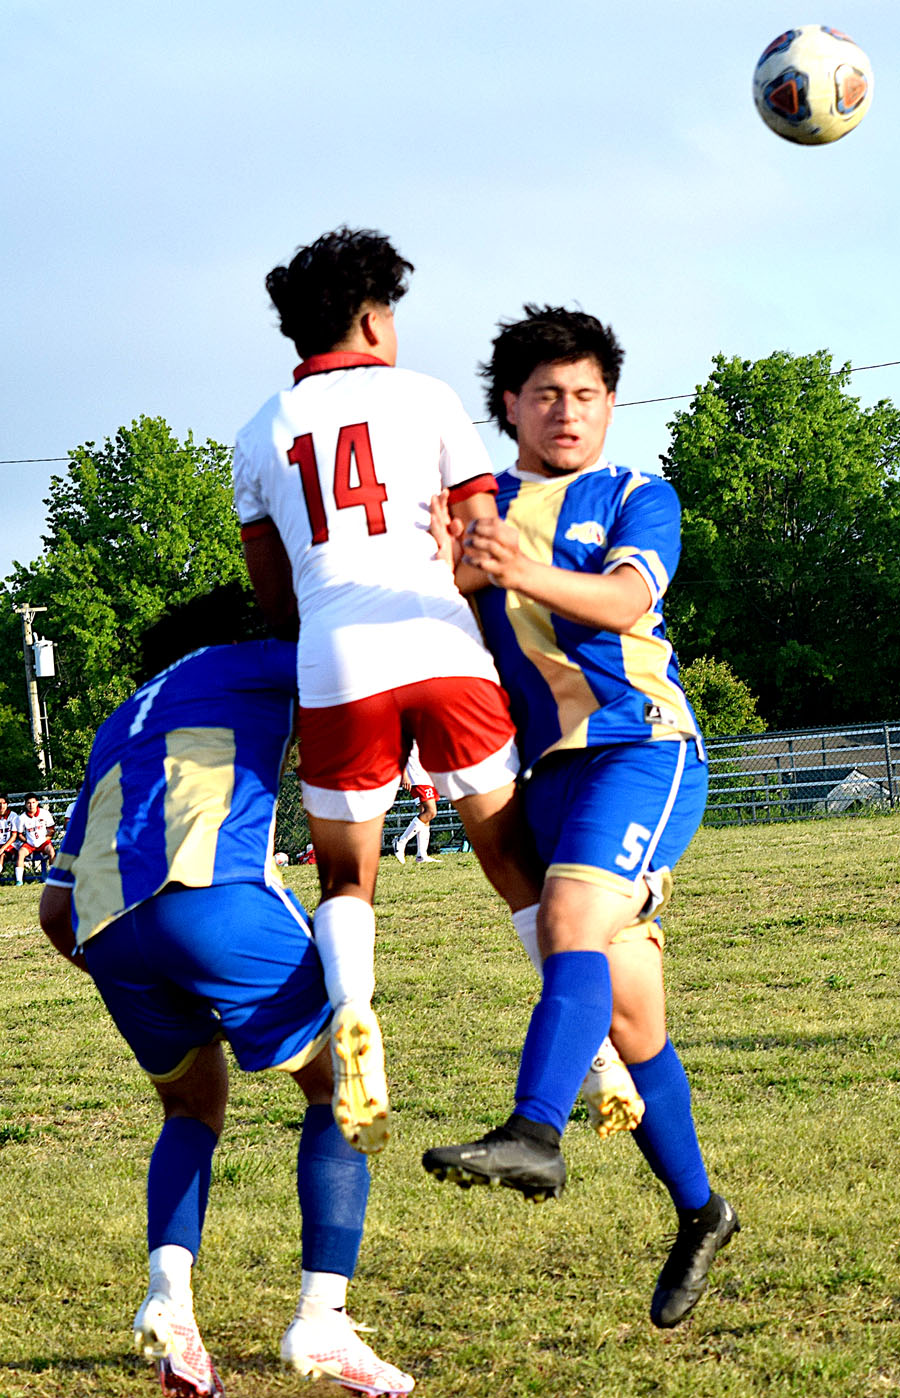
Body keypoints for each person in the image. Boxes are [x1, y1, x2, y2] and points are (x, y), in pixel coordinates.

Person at [423, 306, 738, 1330]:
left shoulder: (637, 494)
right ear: (507, 405)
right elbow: (445, 628)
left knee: (568, 922)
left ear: (611, 403)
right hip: (544, 774)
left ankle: (533, 1130)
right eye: (547, 394)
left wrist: (508, 567)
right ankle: (702, 1212)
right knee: (633, 1018)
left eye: (588, 394)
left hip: (642, 748)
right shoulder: (470, 509)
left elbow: (619, 602)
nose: (569, 412)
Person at [39, 588, 414, 1398]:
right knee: (345, 1086)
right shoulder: (262, 662)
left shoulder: (122, 718)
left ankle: (170, 1300)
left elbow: (53, 912)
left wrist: (148, 969)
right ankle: (325, 1317)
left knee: (190, 1109)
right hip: (212, 895)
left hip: (105, 930)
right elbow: (376, 672)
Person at [232, 227, 544, 1155]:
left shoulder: (259, 432)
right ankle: (599, 1048)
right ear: (372, 318)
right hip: (437, 637)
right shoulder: (429, 397)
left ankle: (353, 1005)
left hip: (335, 657)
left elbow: (275, 593)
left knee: (345, 873)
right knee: (507, 853)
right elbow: (482, 544)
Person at [393, 741, 441, 864]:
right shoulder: (410, 727)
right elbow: (400, 751)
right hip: (417, 777)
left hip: (426, 776)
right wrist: (404, 775)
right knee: (431, 812)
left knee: (425, 814)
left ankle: (421, 855)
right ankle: (401, 841)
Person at [15, 793, 55, 884]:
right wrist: (27, 841)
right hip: (30, 843)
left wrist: (45, 839)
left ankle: (53, 877)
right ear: (25, 804)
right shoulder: (22, 818)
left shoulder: (45, 813)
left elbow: (51, 830)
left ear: (37, 803)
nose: (31, 805)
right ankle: (19, 881)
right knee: (21, 853)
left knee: (52, 851)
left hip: (43, 842)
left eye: (33, 802)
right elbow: (20, 834)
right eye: (28, 803)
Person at [0, 794, 19, 881]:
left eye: (4, 803)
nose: (1, 806)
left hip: (10, 845)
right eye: (0, 803)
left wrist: (3, 848)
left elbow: (14, 836)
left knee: (2, 854)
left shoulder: (13, 816)